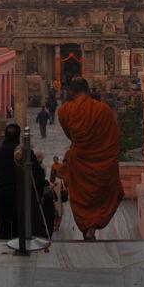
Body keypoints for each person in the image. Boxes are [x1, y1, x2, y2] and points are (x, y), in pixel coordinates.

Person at [57, 75, 123, 241]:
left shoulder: (64, 110)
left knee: (81, 197)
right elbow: (114, 137)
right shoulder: (103, 110)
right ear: (87, 90)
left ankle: (87, 225)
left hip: (80, 161)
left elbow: (70, 135)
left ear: (70, 91)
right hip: (102, 160)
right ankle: (92, 227)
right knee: (107, 194)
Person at [0, 123, 45, 240]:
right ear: (19, 137)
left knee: (3, 228)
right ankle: (19, 251)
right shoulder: (26, 154)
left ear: (5, 136)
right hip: (21, 196)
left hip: (2, 197)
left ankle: (3, 253)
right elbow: (39, 176)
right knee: (20, 229)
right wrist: (39, 194)